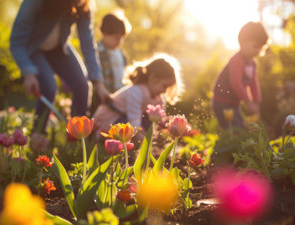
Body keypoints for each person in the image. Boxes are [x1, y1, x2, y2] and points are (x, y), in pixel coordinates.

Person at [10, 0, 109, 132]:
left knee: (83, 87)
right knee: (49, 89)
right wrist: (28, 72)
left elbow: (88, 44)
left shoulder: (83, 4)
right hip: (33, 49)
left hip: (59, 48)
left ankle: (76, 139)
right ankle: (37, 137)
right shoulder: (35, 2)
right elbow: (17, 42)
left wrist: (99, 83)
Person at [93, 54, 183, 141]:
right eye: (164, 86)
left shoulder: (158, 99)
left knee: (150, 118)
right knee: (140, 121)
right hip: (107, 123)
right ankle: (123, 145)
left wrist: (167, 123)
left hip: (126, 120)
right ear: (153, 78)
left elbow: (158, 122)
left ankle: (140, 145)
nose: (164, 91)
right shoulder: (135, 92)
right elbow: (134, 123)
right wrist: (146, 145)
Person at [211, 21, 269, 129]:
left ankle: (233, 143)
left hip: (233, 103)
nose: (257, 51)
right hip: (221, 102)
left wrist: (256, 102)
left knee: (240, 127)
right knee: (233, 128)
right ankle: (227, 144)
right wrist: (248, 102)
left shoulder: (252, 63)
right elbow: (236, 83)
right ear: (242, 42)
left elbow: (253, 84)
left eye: (260, 48)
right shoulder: (237, 60)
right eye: (255, 46)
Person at [90, 10, 131, 115]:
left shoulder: (121, 55)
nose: (119, 42)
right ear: (104, 33)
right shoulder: (98, 52)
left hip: (118, 97)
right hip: (102, 96)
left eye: (122, 39)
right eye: (116, 38)